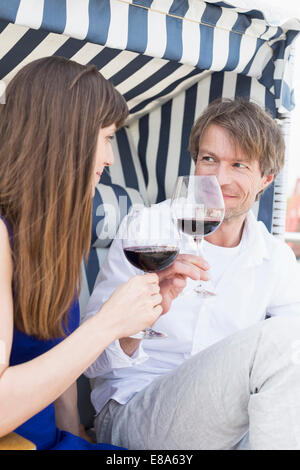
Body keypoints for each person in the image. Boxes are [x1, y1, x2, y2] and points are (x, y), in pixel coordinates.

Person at [0, 56, 197, 450]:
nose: (109, 158)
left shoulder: (54, 234)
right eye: (106, 138)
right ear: (64, 137)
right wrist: (108, 323)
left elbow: (61, 383)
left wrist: (79, 438)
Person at [83, 98, 300, 450]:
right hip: (133, 411)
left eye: (239, 165)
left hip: (227, 424)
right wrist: (143, 313)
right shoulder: (149, 229)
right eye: (209, 159)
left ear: (266, 180)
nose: (219, 178)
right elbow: (91, 362)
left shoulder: (275, 259)